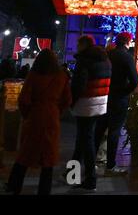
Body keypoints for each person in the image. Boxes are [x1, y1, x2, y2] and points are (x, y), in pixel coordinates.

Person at [4, 49, 71, 195]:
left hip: (35, 115)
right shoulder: (62, 76)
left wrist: (27, 114)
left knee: (25, 153)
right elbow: (67, 99)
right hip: (52, 116)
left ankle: (14, 186)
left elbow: (24, 99)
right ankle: (44, 190)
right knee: (49, 156)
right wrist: (57, 110)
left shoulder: (33, 75)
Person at [70, 35, 111, 191]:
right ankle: (71, 173)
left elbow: (78, 85)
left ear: (83, 45)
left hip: (85, 104)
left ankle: (90, 179)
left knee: (85, 140)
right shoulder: (105, 60)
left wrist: (71, 102)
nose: (76, 47)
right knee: (83, 138)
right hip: (100, 104)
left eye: (78, 44)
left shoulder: (84, 61)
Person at [95, 32, 138, 175]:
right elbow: (134, 80)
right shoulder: (127, 57)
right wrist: (124, 92)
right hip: (119, 99)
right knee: (114, 132)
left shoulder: (108, 55)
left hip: (104, 97)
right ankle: (111, 166)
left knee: (99, 130)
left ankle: (92, 162)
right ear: (128, 42)